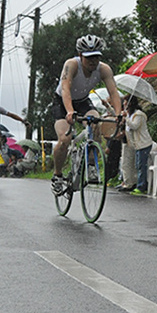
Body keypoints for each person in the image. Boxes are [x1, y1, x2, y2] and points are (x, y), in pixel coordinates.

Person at [50, 35, 122, 195]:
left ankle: (91, 165)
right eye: (89, 57)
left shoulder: (104, 69)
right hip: (62, 102)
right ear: (80, 55)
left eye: (96, 57)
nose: (93, 61)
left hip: (83, 101)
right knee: (64, 139)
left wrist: (118, 114)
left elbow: (113, 92)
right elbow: (66, 88)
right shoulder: (71, 65)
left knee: (95, 123)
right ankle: (57, 175)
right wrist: (69, 111)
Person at [123, 95, 153, 196]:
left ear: (130, 103)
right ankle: (140, 184)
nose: (124, 104)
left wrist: (126, 119)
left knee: (141, 166)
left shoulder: (139, 115)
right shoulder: (130, 115)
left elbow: (135, 126)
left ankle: (141, 187)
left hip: (143, 143)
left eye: (125, 102)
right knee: (138, 165)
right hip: (137, 144)